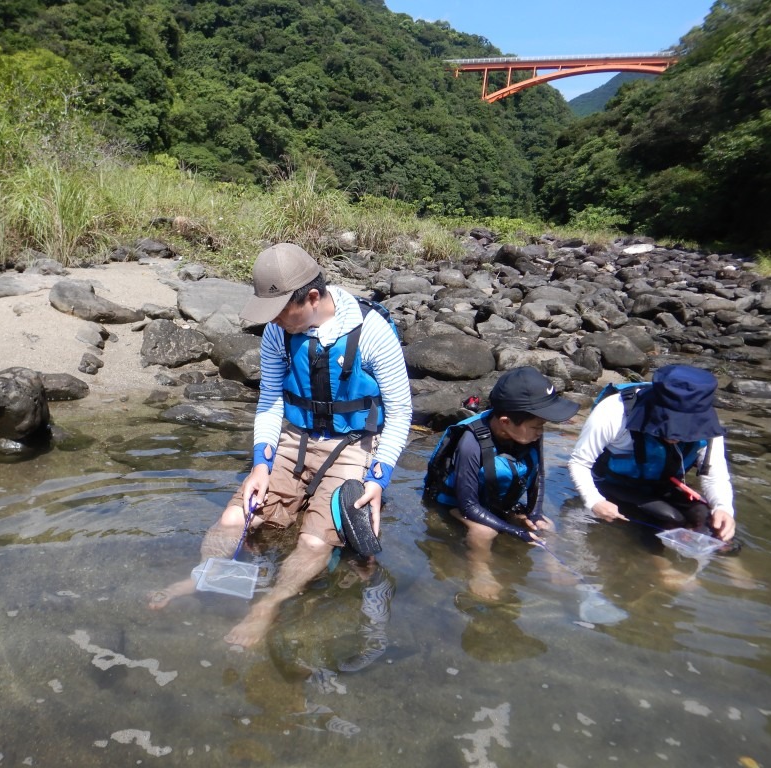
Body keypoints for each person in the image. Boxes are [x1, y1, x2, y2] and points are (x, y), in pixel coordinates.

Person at [149, 243, 412, 647]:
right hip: (295, 437)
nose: (271, 321)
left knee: (312, 540)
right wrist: (260, 465)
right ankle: (204, 576)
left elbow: (399, 414)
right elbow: (271, 400)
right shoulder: (278, 331)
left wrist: (378, 480)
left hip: (354, 444)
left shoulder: (371, 331)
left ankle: (266, 607)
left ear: (311, 298)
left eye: (278, 311)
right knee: (238, 516)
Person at [423, 367, 580, 599]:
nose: (541, 431)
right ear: (506, 422)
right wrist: (513, 530)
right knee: (485, 532)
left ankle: (552, 567)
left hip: (496, 501)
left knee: (546, 526)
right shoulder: (471, 443)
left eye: (543, 426)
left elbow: (538, 476)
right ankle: (480, 571)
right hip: (457, 505)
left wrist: (534, 513)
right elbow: (468, 506)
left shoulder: (531, 432)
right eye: (537, 426)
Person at [568, 364, 737, 546]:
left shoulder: (709, 427)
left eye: (685, 431)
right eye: (671, 429)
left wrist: (724, 508)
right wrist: (594, 501)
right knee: (669, 518)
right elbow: (579, 462)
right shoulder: (613, 412)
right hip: (611, 483)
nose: (676, 437)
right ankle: (662, 569)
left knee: (708, 522)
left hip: (661, 484)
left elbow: (714, 476)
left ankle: (731, 570)